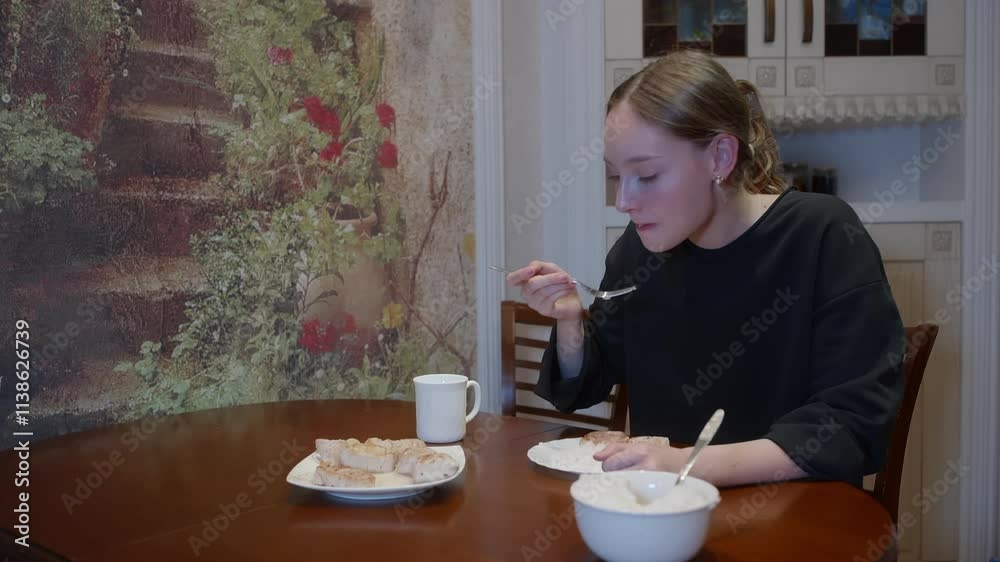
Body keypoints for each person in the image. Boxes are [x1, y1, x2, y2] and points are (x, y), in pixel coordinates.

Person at [506, 50, 905, 489]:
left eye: (647, 175)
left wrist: (685, 465)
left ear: (720, 157)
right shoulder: (639, 252)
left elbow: (850, 424)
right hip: (663, 508)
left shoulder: (822, 235)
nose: (623, 202)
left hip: (794, 512)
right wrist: (570, 320)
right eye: (616, 177)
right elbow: (586, 385)